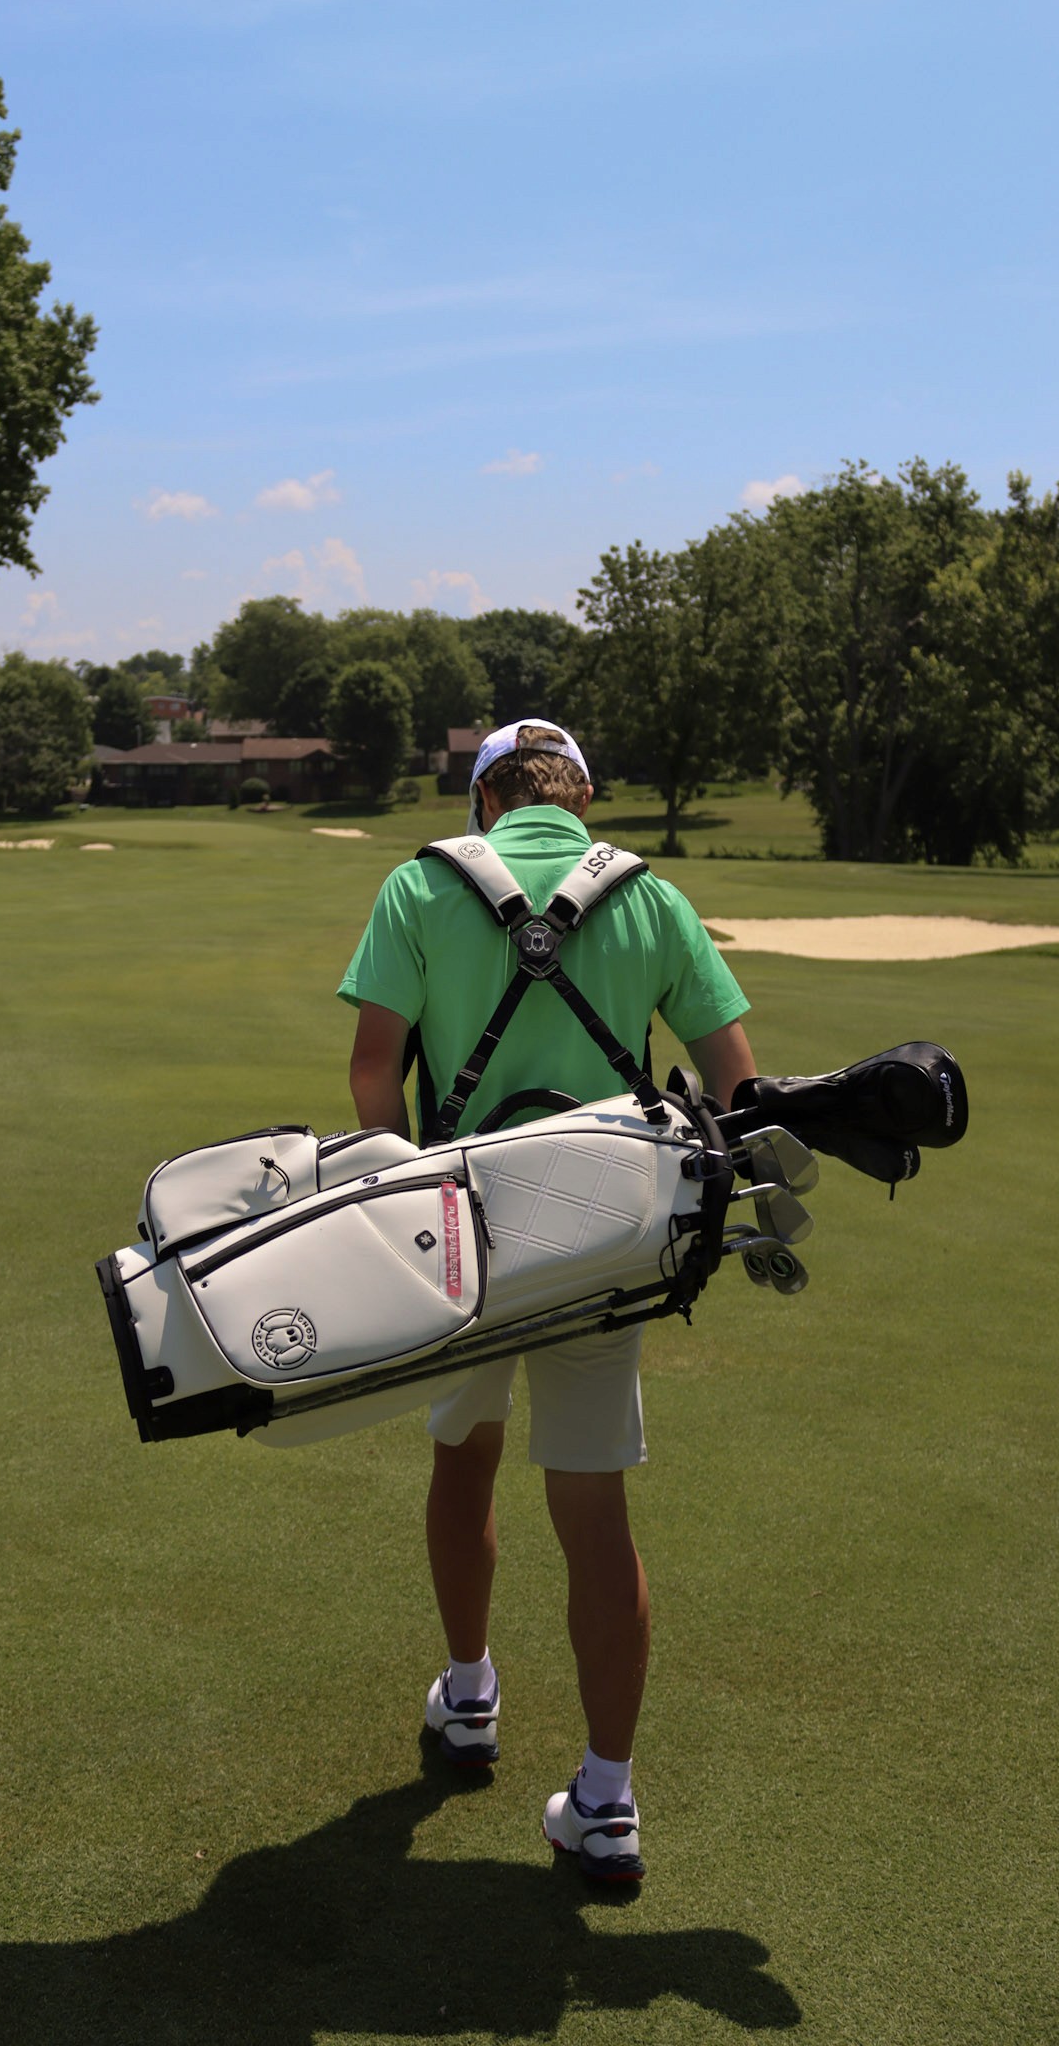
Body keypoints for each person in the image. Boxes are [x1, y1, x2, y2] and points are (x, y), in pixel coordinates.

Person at [337, 719, 756, 1886]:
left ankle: (470, 1694)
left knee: (463, 1457)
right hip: (605, 1239)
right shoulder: (651, 895)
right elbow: (739, 1082)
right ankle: (607, 1799)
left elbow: (374, 1070)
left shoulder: (419, 887)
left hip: (459, 1235)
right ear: (582, 797)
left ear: (485, 801)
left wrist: (400, 1202)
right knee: (594, 1508)